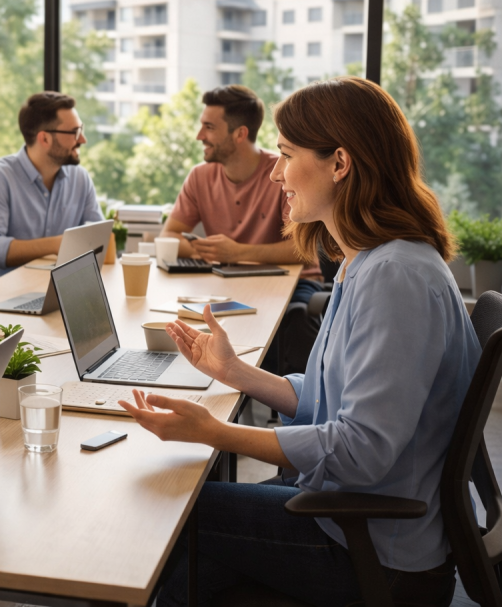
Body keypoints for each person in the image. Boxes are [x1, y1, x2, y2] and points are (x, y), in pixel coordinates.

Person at [120, 76, 479, 606]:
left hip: (374, 549)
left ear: (340, 163)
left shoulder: (395, 277)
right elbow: (330, 397)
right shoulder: (367, 261)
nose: (276, 172)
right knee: (190, 558)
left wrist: (217, 432)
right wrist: (236, 373)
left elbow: (360, 451)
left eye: (287, 155)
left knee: (173, 509)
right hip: (350, 513)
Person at [0, 91, 105, 288]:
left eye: (81, 129)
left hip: (40, 286)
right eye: (74, 132)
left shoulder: (80, 179)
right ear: (45, 139)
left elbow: (98, 239)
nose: (82, 139)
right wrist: (58, 244)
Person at [159, 85, 315, 279]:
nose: (199, 136)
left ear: (240, 134)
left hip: (294, 283)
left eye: (209, 127)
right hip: (228, 281)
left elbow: (304, 249)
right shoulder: (199, 176)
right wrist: (213, 252)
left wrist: (237, 253)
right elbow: (168, 236)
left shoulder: (283, 173)